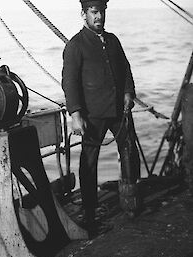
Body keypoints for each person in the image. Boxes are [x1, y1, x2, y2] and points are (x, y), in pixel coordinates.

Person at [61, 0, 139, 236]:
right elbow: (69, 82)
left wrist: (128, 92)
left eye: (102, 12)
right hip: (92, 115)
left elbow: (126, 69)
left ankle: (130, 201)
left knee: (129, 151)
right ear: (83, 14)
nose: (99, 17)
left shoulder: (113, 40)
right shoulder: (75, 45)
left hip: (119, 111)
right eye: (94, 12)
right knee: (89, 163)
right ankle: (90, 212)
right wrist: (76, 114)